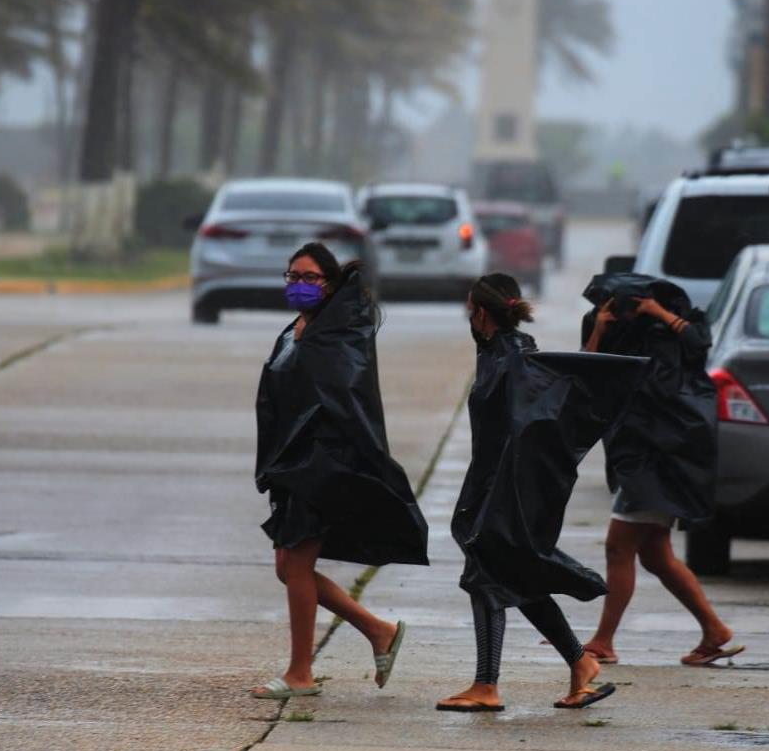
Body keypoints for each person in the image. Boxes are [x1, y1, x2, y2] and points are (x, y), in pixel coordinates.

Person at [436, 274, 648, 712]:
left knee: (486, 576)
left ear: (480, 311)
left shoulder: (516, 361)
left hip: (505, 491)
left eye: (470, 308)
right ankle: (581, 665)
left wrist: (506, 498)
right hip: (493, 486)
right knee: (517, 577)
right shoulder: (499, 352)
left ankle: (487, 685)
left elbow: (530, 432)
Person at [251, 242, 428, 699]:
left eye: (309, 278)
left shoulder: (339, 336)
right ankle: (377, 631)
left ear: (329, 284)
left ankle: (300, 674)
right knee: (289, 568)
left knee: (296, 565)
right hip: (294, 465)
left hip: (319, 467)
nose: (298, 285)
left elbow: (344, 402)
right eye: (292, 276)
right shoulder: (297, 330)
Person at [579, 273, 742, 667]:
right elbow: (586, 372)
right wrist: (602, 327)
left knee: (619, 546)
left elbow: (700, 345)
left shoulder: (677, 330)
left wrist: (660, 313)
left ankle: (603, 641)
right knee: (655, 553)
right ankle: (714, 630)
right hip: (636, 453)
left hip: (663, 455)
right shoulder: (612, 330)